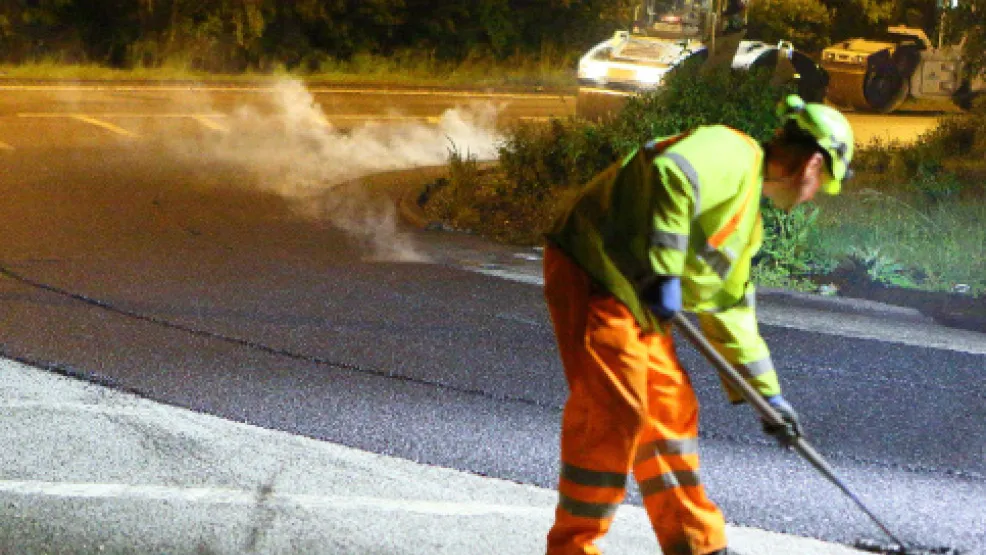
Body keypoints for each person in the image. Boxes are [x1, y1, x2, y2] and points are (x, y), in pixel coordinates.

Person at [542, 94, 854, 555]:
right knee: (616, 411)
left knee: (670, 406)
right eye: (822, 183)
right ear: (811, 163)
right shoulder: (731, 150)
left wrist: (768, 396)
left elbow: (730, 309)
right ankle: (573, 547)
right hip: (597, 266)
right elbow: (671, 173)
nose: (813, 196)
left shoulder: (748, 220)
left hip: (637, 295)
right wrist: (665, 271)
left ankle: (697, 543)